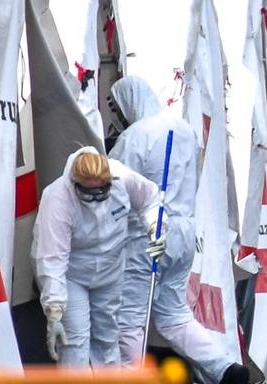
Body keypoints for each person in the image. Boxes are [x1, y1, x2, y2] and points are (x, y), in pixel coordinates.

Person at [110, 75, 253, 384]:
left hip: (147, 235)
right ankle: (227, 369)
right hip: (184, 232)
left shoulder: (134, 137)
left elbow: (115, 184)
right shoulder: (185, 131)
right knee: (174, 316)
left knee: (130, 318)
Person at [33, 147, 167, 368]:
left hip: (110, 271)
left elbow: (151, 200)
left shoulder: (123, 179)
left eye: (101, 192)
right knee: (74, 341)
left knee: (107, 338)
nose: (95, 199)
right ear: (75, 183)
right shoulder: (57, 198)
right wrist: (54, 309)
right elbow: (52, 259)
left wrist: (156, 226)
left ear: (110, 181)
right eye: (87, 193)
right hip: (72, 274)